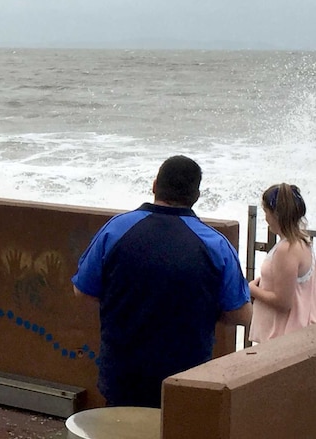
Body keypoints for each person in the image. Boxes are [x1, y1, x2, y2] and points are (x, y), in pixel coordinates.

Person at [71, 155, 252, 408]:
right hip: (187, 379)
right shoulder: (216, 245)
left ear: (155, 185)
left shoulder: (115, 230)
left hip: (123, 375)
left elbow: (83, 290)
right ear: (196, 196)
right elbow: (241, 314)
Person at [249, 183, 316, 343]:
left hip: (281, 337)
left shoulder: (286, 250)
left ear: (276, 215)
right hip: (292, 334)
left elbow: (283, 302)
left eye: (266, 212)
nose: (266, 219)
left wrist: (251, 289)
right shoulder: (303, 242)